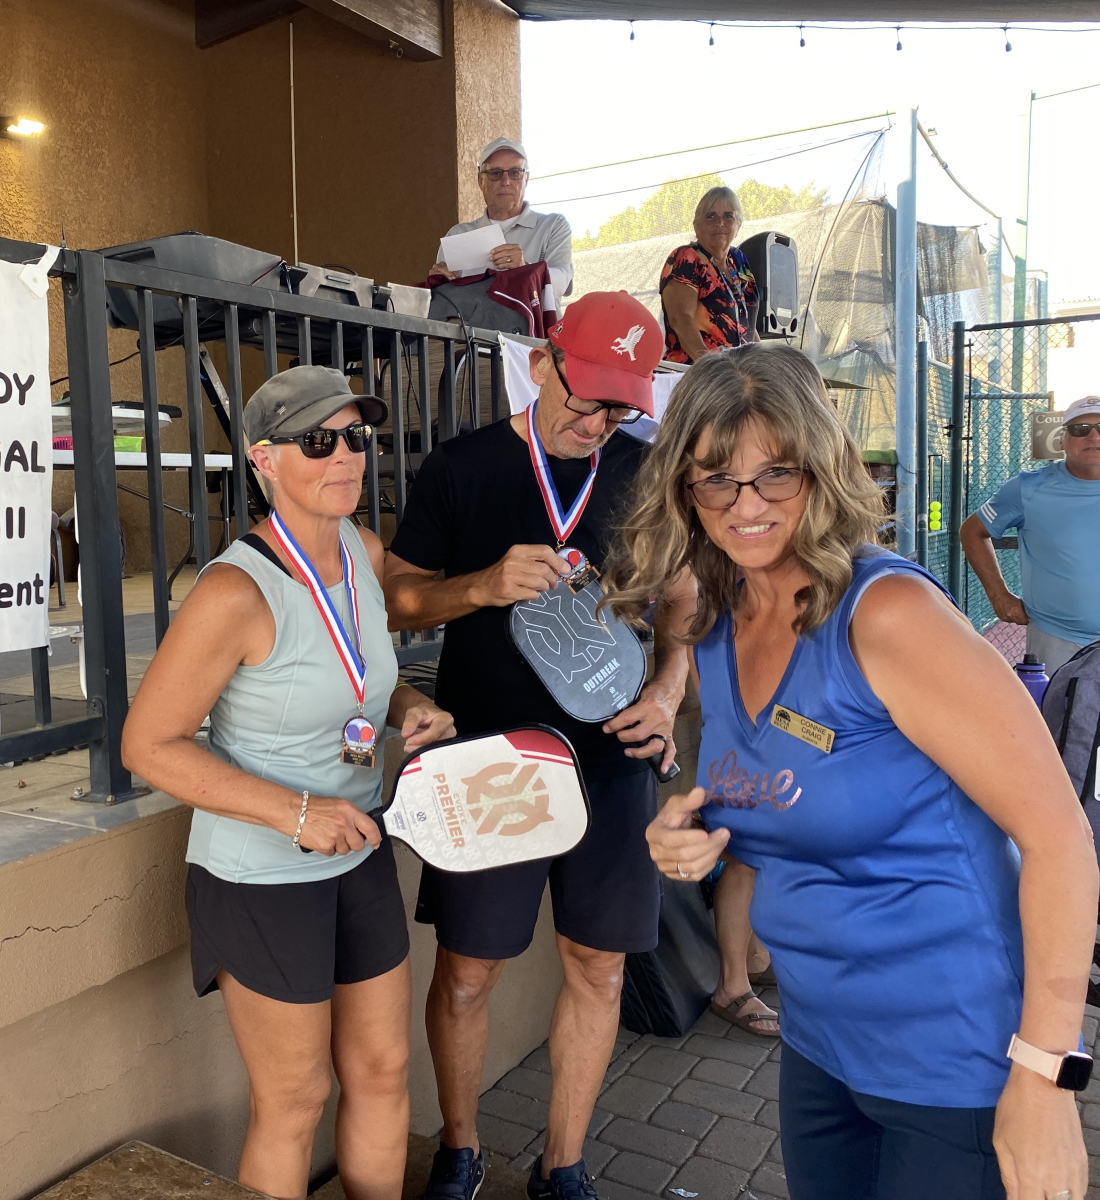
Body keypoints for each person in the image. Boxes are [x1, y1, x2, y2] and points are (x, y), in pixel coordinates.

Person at [615, 343, 1096, 1200]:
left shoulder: (888, 614)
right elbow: (776, 791)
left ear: (823, 467)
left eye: (776, 473)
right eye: (716, 478)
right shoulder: (720, 620)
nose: (746, 504)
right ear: (684, 487)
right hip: (820, 1042)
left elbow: (1060, 838)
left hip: (957, 1055)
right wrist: (690, 834)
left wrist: (1044, 1073)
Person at [122, 365, 456, 1200]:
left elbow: (355, 680)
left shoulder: (363, 551)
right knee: (295, 1099)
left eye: (355, 437)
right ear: (263, 460)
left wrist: (406, 707)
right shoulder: (234, 590)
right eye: (317, 440)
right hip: (263, 874)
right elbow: (147, 745)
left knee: (382, 1070)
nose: (344, 455)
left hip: (359, 851)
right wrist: (295, 811)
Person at [385, 292, 689, 1200]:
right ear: (542, 363)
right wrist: (479, 586)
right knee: (468, 973)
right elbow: (398, 598)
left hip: (613, 761)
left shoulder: (647, 474)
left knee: (599, 968)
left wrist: (668, 692)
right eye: (586, 400)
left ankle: (563, 1167)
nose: (596, 425)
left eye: (618, 411)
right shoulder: (462, 467)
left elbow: (685, 600)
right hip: (492, 759)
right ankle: (461, 1150)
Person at [960, 394, 1100, 672]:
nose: (1094, 436)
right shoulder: (1028, 488)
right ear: (1062, 440)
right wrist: (998, 595)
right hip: (1057, 638)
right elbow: (972, 531)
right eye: (1080, 429)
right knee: (1054, 703)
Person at [429, 137, 573, 303]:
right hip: (473, 321)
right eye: (495, 173)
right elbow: (443, 303)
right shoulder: (457, 235)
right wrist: (440, 283)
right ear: (480, 180)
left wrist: (525, 269)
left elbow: (563, 282)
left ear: (526, 179)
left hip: (532, 321)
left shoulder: (552, 226)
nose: (505, 181)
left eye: (515, 173)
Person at [659, 186, 760, 364]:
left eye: (728, 216)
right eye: (710, 216)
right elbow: (680, 319)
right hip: (697, 371)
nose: (720, 222)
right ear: (696, 226)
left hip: (737, 371)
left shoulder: (739, 260)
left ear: (738, 225)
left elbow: (746, 323)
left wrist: (764, 364)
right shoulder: (687, 258)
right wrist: (711, 368)